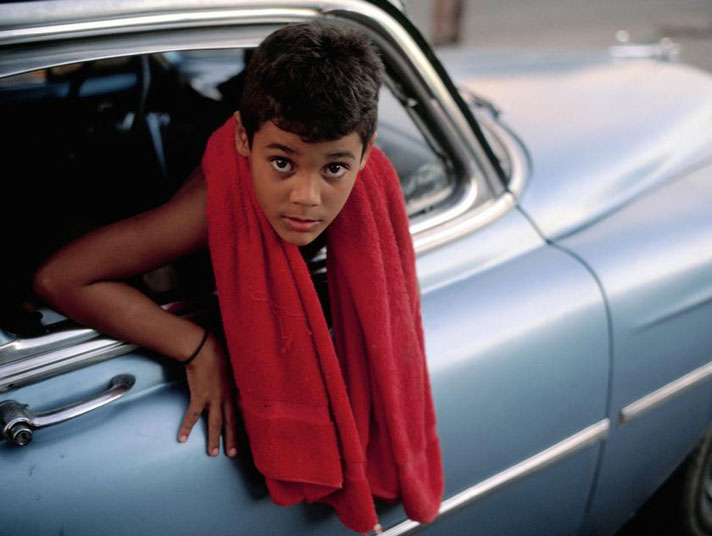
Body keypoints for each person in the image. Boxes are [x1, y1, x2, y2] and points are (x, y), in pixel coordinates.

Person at [34, 20, 443, 534]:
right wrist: (196, 345)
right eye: (282, 162)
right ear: (243, 140)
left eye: (334, 168)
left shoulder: (368, 187)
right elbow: (60, 278)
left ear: (367, 154)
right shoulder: (211, 207)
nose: (306, 197)